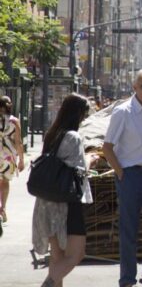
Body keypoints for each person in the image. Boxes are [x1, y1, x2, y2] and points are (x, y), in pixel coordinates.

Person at [102, 69, 142, 287]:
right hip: (131, 175)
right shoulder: (123, 112)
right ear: (135, 88)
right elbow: (107, 148)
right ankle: (127, 279)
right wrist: (121, 173)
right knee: (129, 230)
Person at [32, 93, 98, 287]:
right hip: (68, 202)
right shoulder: (73, 137)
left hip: (47, 200)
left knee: (57, 254)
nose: (85, 118)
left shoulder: (53, 133)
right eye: (85, 114)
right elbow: (79, 170)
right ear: (78, 114)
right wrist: (91, 159)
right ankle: (50, 282)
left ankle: (53, 282)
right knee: (76, 254)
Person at [0, 95, 24, 230]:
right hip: (8, 156)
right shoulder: (14, 121)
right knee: (5, 181)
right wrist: (21, 159)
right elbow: (18, 142)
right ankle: (3, 208)